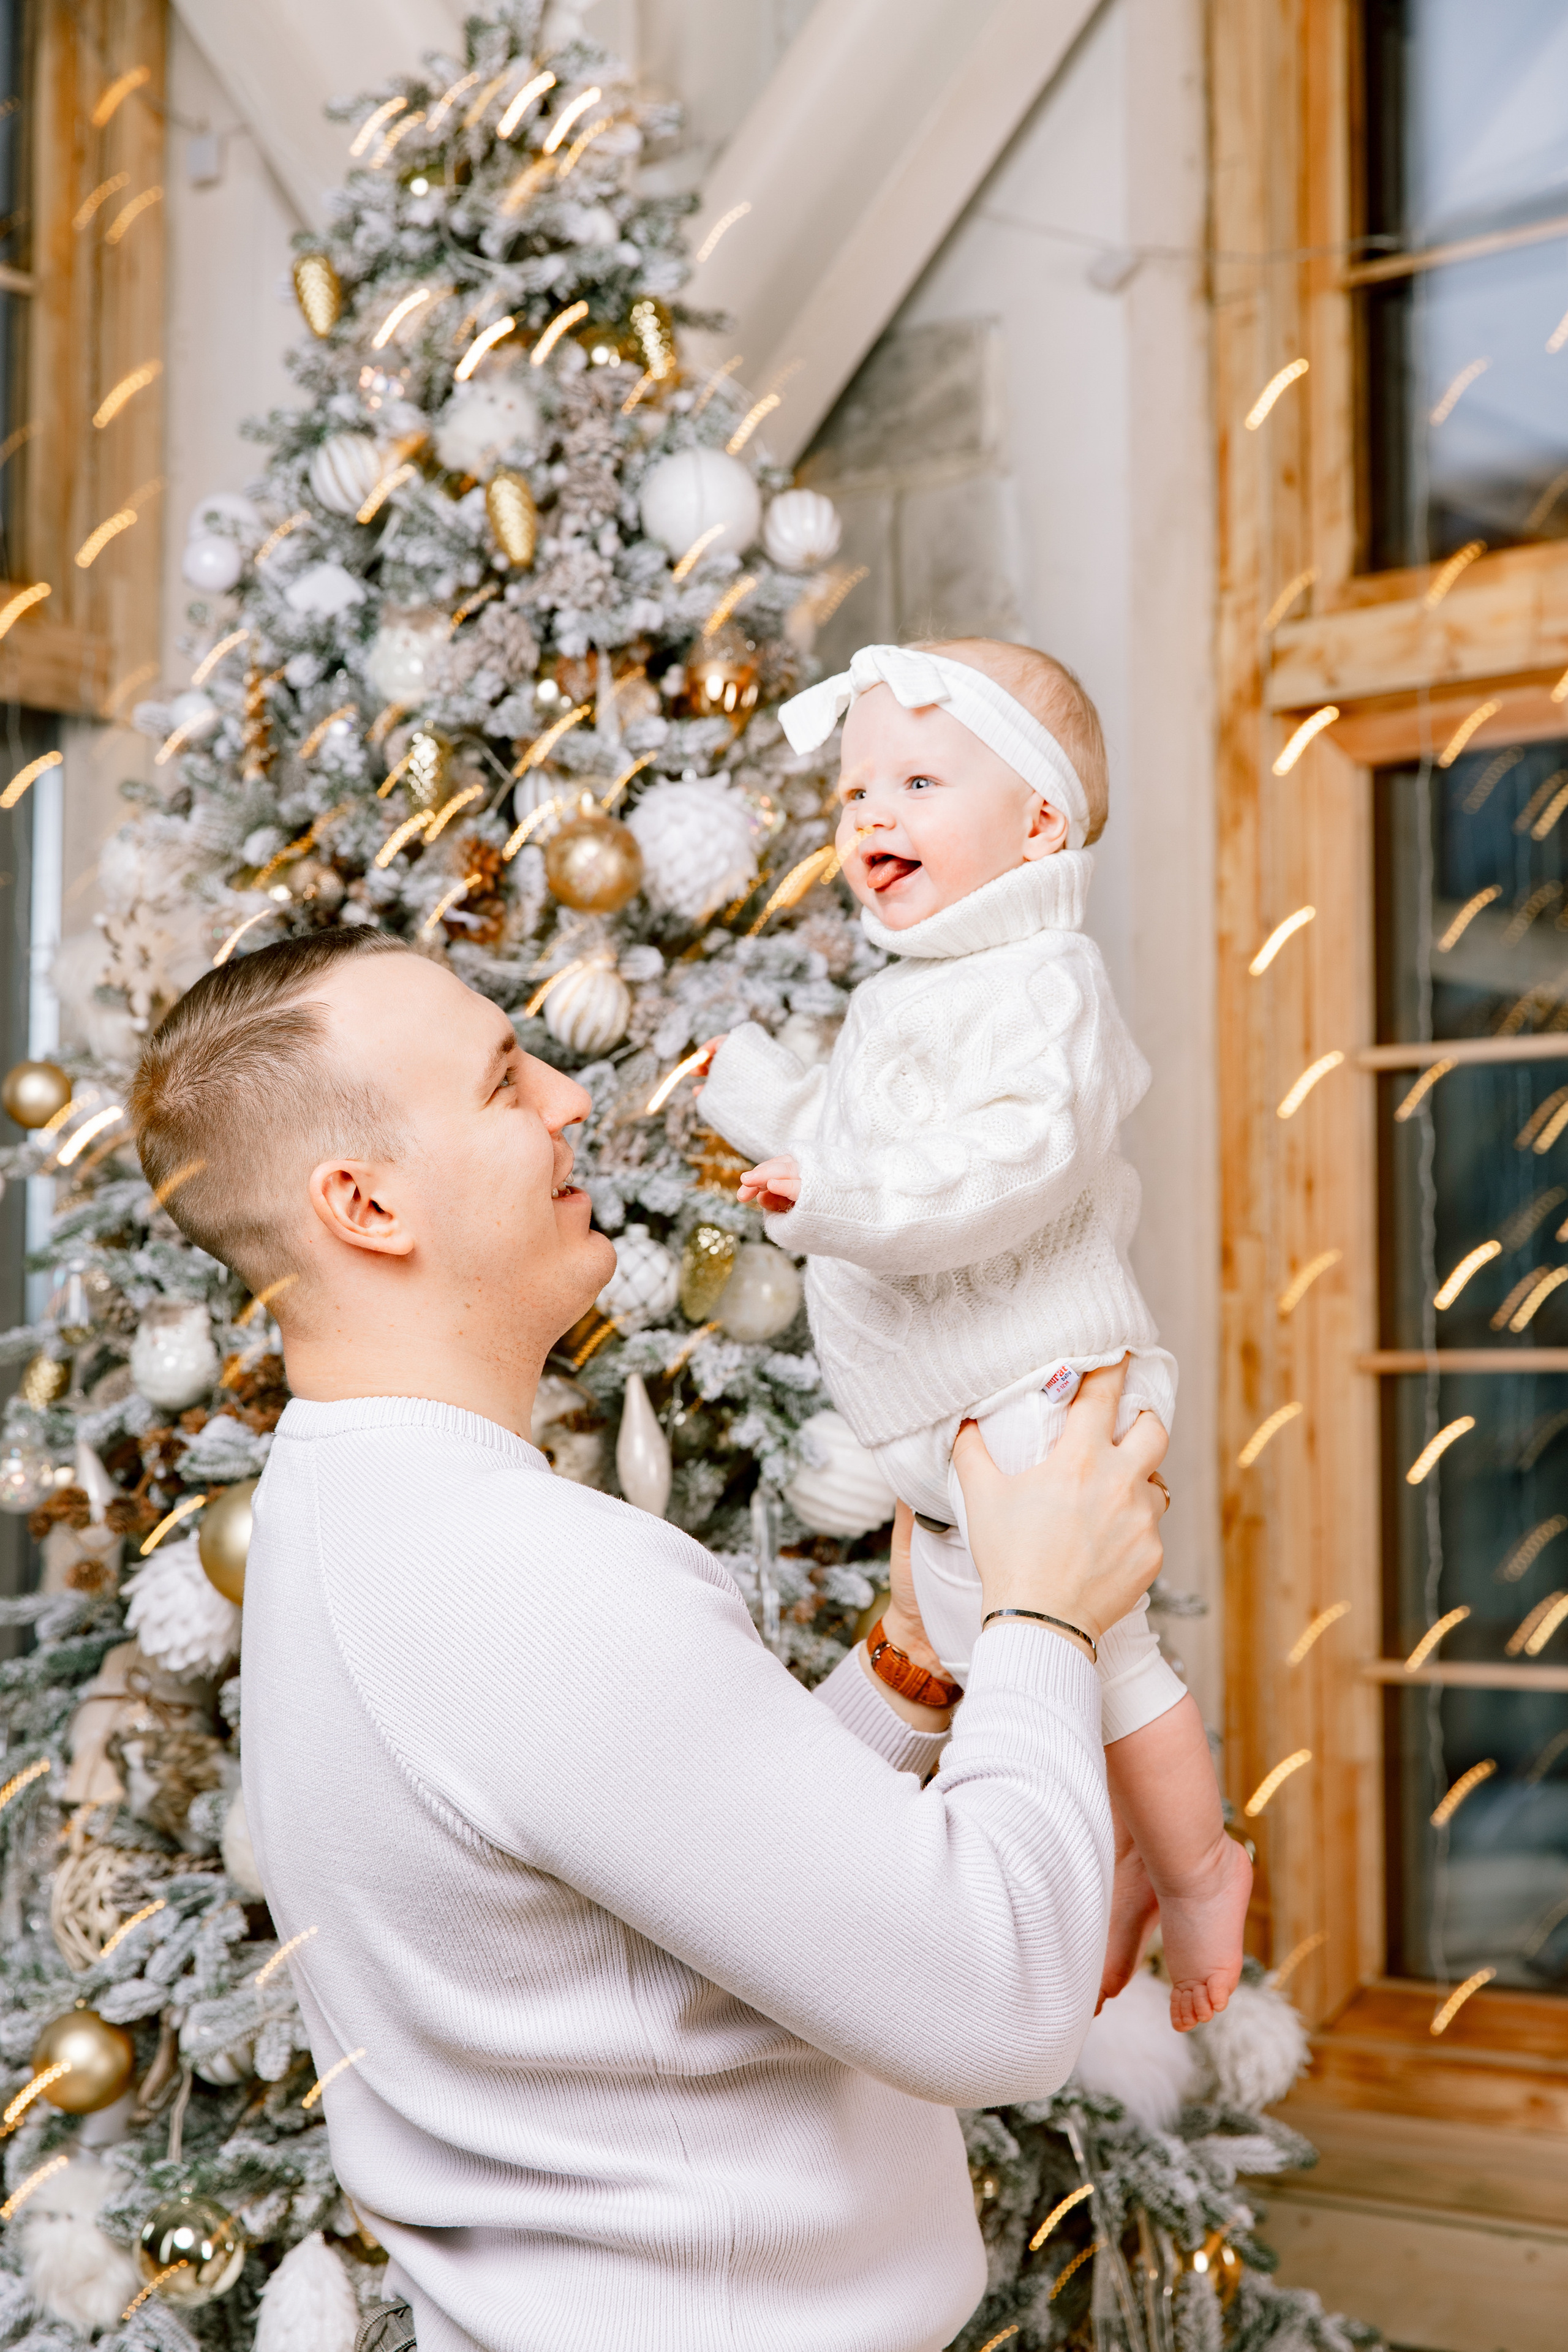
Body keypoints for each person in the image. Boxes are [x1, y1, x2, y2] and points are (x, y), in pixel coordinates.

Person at [127, 927, 1169, 2352]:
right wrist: (1050, 1614)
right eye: (503, 1083)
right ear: (365, 1203)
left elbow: (656, 1886)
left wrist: (913, 1669)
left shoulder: (341, 1502)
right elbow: (997, 2005)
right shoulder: (524, 1576)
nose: (568, 1098)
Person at [698, 638, 1250, 2031]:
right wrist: (758, 1099)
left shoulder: (1037, 983)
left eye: (918, 780)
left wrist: (831, 1193)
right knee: (1016, 1657)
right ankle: (1128, 1856)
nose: (869, 813)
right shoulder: (914, 989)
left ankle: (1197, 1872)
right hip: (955, 1413)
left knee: (1103, 1659)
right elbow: (857, 1142)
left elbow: (1004, 1169)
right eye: (852, 790)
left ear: (1039, 828)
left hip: (1038, 1383)